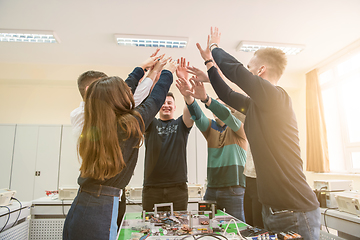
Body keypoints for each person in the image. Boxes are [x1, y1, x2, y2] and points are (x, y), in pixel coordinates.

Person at [193, 27, 320, 239]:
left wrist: (214, 48)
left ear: (261, 71)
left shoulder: (277, 98)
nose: (247, 71)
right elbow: (227, 94)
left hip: (296, 212)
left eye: (250, 67)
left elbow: (237, 73)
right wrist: (209, 65)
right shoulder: (254, 106)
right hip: (272, 210)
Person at [63, 57, 177, 240]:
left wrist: (144, 70)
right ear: (118, 99)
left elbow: (122, 90)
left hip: (83, 204)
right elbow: (155, 99)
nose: (129, 94)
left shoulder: (95, 122)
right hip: (100, 208)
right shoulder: (127, 126)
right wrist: (167, 72)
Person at [176, 68, 247, 221]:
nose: (217, 110)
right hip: (212, 190)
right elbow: (197, 115)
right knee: (206, 228)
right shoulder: (210, 127)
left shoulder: (239, 128)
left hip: (234, 189)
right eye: (216, 107)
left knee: (236, 230)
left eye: (220, 106)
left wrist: (207, 99)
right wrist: (188, 96)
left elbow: (226, 115)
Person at [142, 57, 194, 212]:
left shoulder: (181, 124)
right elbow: (148, 103)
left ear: (174, 106)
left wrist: (185, 81)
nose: (166, 105)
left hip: (177, 188)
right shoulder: (151, 124)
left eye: (169, 103)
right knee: (150, 230)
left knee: (179, 231)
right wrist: (155, 80)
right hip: (152, 188)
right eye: (163, 102)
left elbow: (191, 108)